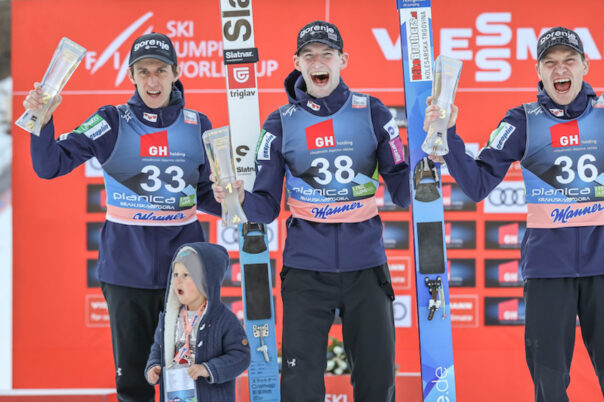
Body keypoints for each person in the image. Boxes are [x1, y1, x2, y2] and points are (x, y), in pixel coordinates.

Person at [425, 27, 604, 401]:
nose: (559, 70)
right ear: (539, 71)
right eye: (550, 63)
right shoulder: (521, 120)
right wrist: (448, 135)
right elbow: (476, 185)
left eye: (569, 61)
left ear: (585, 65)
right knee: (549, 386)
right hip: (548, 269)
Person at [214, 20, 410, 401]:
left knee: (377, 379)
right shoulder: (280, 123)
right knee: (300, 384)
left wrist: (428, 164)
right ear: (297, 63)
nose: (318, 62)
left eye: (327, 54)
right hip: (306, 270)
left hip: (366, 267)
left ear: (343, 60)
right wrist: (238, 198)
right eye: (309, 55)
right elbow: (266, 206)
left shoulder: (374, 113)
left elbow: (403, 189)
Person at [22, 32, 221, 401]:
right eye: (143, 71)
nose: (152, 81)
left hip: (186, 274)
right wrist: (43, 121)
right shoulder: (112, 121)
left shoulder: (199, 124)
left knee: (187, 384)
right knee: (134, 384)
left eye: (161, 70)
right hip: (126, 272)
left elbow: (207, 193)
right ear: (131, 75)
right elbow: (49, 165)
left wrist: (237, 201)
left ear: (176, 72)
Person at [145, 242, 250, 401]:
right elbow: (158, 349)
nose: (178, 281)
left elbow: (241, 356)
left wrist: (208, 369)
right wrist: (153, 367)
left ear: (205, 281)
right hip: (175, 396)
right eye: (175, 275)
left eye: (186, 275)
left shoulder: (225, 320)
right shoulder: (168, 319)